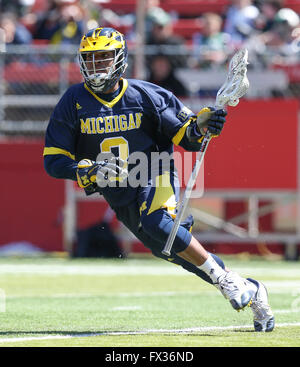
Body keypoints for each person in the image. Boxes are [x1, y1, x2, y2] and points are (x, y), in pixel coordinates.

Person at [43, 27, 274, 332]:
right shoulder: (73, 101)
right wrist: (84, 171)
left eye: (104, 57)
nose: (97, 65)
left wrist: (205, 125)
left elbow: (188, 136)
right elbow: (53, 161)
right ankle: (250, 287)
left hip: (155, 171)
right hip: (120, 193)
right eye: (91, 58)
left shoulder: (146, 95)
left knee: (159, 225)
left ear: (120, 59)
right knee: (167, 248)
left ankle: (224, 279)